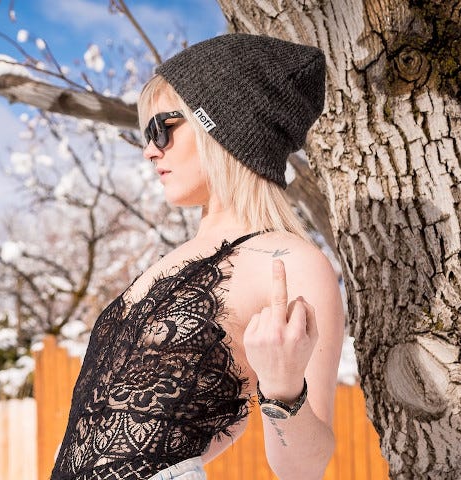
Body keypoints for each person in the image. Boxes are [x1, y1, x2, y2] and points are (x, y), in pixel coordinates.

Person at [49, 33, 346, 480]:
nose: (150, 150)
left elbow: (305, 469)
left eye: (161, 128)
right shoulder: (168, 261)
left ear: (218, 128)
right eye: (144, 135)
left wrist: (284, 390)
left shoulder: (289, 261)